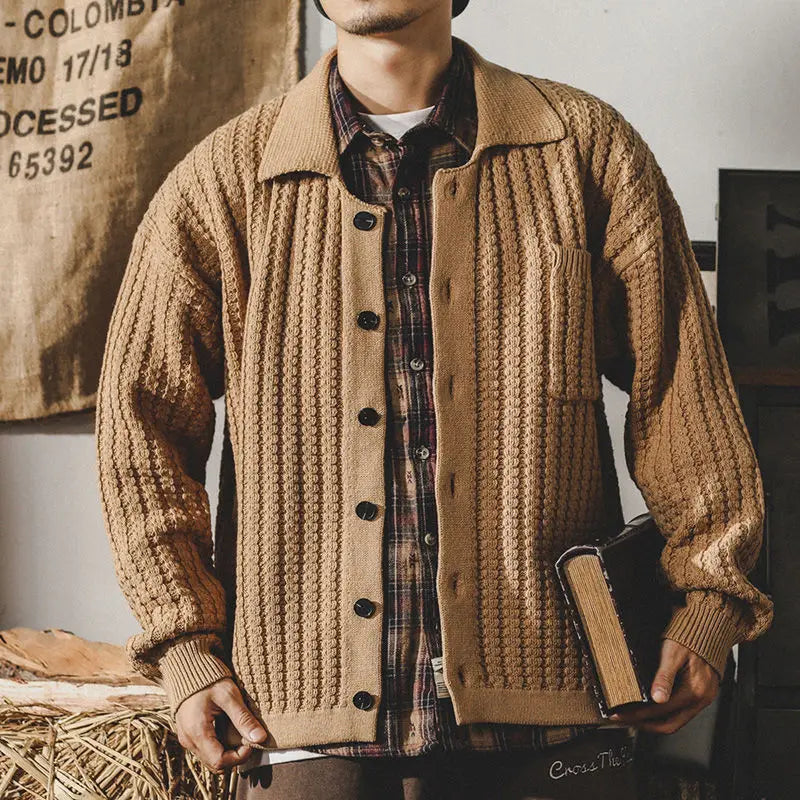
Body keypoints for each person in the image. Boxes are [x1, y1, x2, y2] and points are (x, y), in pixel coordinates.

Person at [95, 1, 774, 798]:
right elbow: (140, 431)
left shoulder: (587, 150)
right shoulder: (220, 185)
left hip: (556, 715)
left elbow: (683, 387)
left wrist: (708, 600)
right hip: (300, 732)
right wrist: (186, 647)